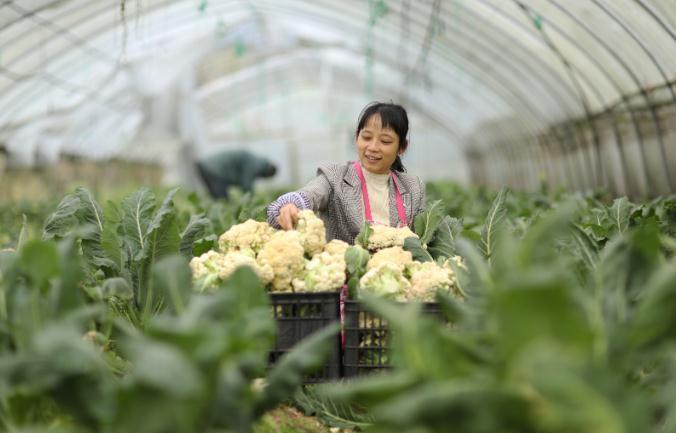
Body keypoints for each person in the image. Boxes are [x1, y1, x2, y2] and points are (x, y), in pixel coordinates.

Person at [267, 102, 426, 244]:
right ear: (357, 137)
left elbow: (422, 240)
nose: (373, 147)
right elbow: (312, 194)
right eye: (367, 137)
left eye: (385, 141)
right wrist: (291, 205)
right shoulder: (335, 176)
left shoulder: (413, 187)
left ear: (402, 147)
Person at [195, 149, 277, 199]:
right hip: (214, 169)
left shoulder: (255, 161)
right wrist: (250, 200)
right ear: (266, 173)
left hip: (206, 166)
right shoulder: (254, 164)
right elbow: (246, 184)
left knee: (217, 198)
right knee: (223, 201)